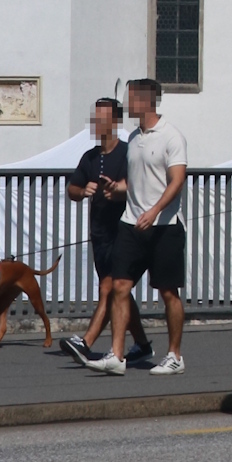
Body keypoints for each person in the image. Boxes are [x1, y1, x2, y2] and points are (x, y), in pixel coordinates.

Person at [87, 78, 187, 375]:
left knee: (168, 292)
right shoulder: (133, 137)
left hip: (164, 226)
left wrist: (155, 211)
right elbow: (135, 182)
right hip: (130, 223)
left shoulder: (171, 136)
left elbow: (177, 180)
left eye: (131, 99)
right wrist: (116, 189)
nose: (127, 105)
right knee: (120, 286)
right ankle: (117, 355)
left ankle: (175, 356)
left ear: (146, 101)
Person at [60, 98, 148, 366]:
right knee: (120, 290)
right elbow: (72, 189)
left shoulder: (128, 152)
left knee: (109, 287)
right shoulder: (90, 157)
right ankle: (142, 345)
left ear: (115, 121)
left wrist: (118, 190)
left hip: (124, 229)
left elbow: (138, 184)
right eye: (95, 118)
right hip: (99, 233)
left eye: (103, 118)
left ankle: (86, 343)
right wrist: (82, 190)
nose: (97, 123)